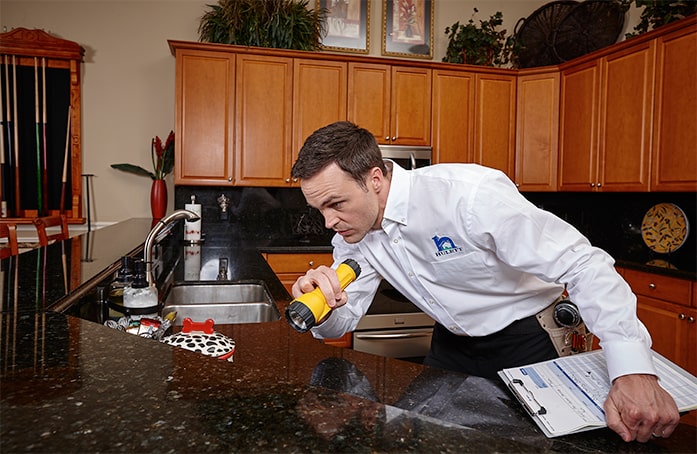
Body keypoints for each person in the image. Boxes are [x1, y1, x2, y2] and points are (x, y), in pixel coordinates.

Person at [289, 121, 680, 443]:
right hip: (451, 344)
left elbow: (582, 263)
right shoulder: (352, 236)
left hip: (530, 338)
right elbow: (344, 321)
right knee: (438, 442)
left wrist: (632, 370)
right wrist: (326, 305)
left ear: (374, 178)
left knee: (542, 447)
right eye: (319, 209)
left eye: (336, 204)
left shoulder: (468, 196)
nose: (328, 224)